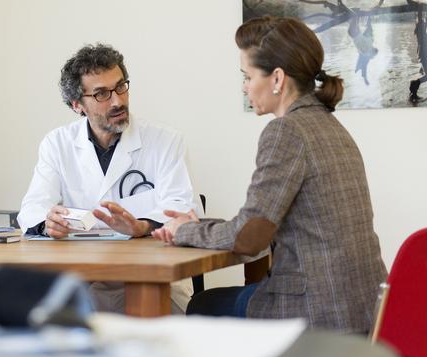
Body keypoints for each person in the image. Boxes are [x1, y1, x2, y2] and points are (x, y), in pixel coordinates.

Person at [152, 16, 387, 333]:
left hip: (317, 312)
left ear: (277, 78)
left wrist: (185, 231)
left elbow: (248, 238)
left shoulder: (286, 131)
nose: (245, 86)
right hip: (366, 308)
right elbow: (259, 227)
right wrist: (200, 226)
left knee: (200, 306)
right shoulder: (332, 127)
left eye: (247, 76)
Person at [18, 43, 195, 313]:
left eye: (120, 86)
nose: (118, 101)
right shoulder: (57, 144)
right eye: (101, 94)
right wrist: (47, 223)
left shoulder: (165, 141)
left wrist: (143, 226)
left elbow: (183, 209)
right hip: (82, 284)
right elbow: (32, 209)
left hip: (151, 283)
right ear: (77, 105)